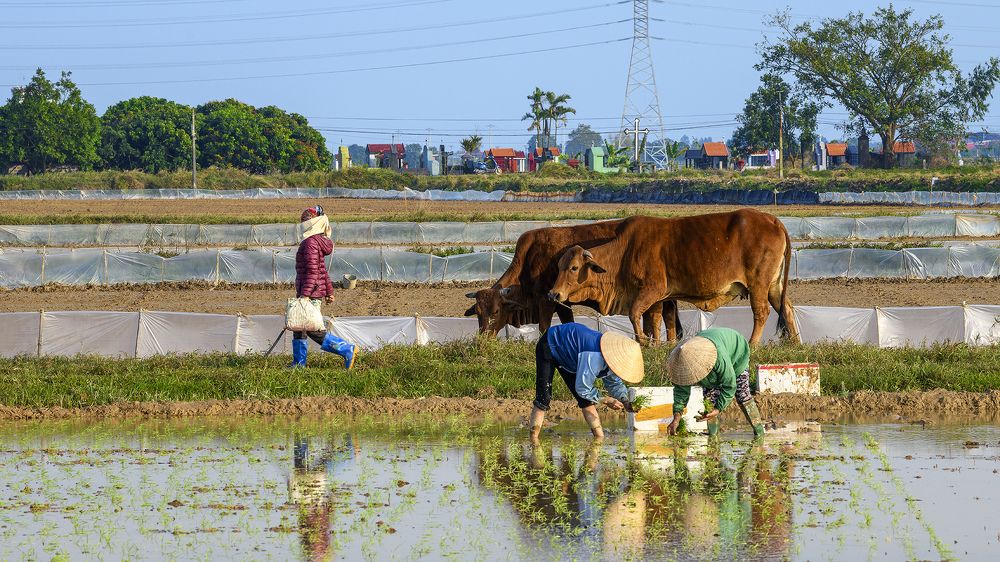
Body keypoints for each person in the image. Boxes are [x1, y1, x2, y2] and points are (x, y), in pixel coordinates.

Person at [529, 322, 645, 442]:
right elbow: (582, 389)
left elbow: (614, 383)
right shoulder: (593, 356)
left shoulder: (612, 360)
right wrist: (606, 400)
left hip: (572, 356)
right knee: (544, 397)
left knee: (586, 401)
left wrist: (625, 400)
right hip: (551, 343)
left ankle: (599, 439)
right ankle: (534, 440)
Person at [665, 327, 764, 437]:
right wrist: (676, 418)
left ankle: (759, 432)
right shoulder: (682, 362)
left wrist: (718, 408)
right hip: (715, 353)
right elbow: (681, 391)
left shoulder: (717, 356)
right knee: (709, 401)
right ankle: (713, 436)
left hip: (736, 352)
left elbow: (730, 385)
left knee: (742, 394)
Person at [292, 206, 357, 369]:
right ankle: (299, 364)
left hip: (310, 293)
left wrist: (305, 295)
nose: (303, 224)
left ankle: (346, 349)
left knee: (313, 329)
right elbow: (321, 270)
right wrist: (329, 292)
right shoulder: (316, 241)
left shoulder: (309, 243)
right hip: (312, 290)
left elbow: (313, 272)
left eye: (306, 221)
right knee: (299, 327)